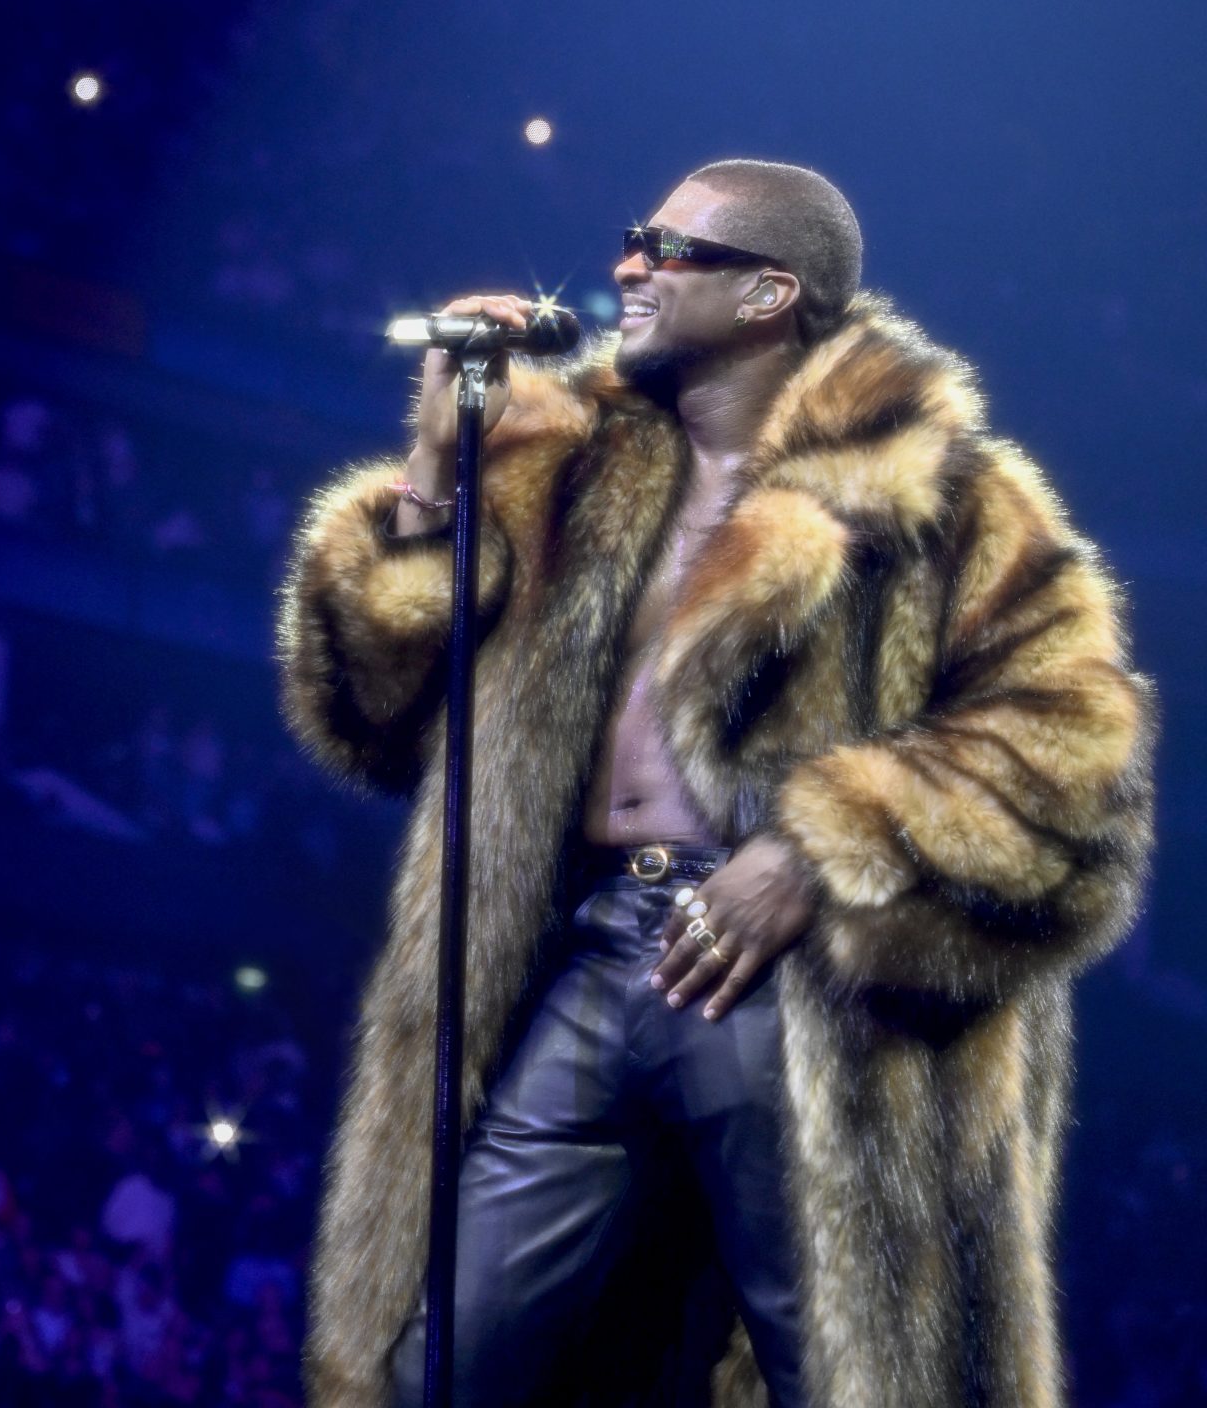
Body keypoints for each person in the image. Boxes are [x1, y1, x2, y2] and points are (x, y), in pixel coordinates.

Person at [280, 160, 1153, 1408]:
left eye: (663, 246)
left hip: (802, 990)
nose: (627, 264)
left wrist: (815, 850)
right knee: (434, 1374)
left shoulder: (944, 498)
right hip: (587, 961)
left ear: (767, 294)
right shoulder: (563, 468)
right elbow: (376, 710)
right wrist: (434, 460)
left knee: (843, 1372)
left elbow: (1076, 755)